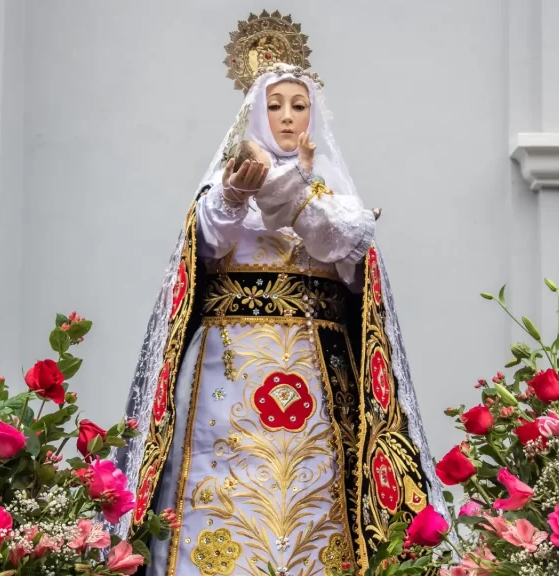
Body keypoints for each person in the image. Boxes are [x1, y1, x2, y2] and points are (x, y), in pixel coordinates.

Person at [114, 62, 446, 576]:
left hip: (318, 375)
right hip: (229, 369)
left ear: (314, 117)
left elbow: (344, 253)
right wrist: (237, 193)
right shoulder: (225, 192)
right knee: (222, 477)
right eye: (274, 106)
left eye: (298, 105)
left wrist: (295, 190)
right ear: (253, 115)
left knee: (317, 490)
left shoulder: (335, 200)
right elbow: (206, 244)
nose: (287, 117)